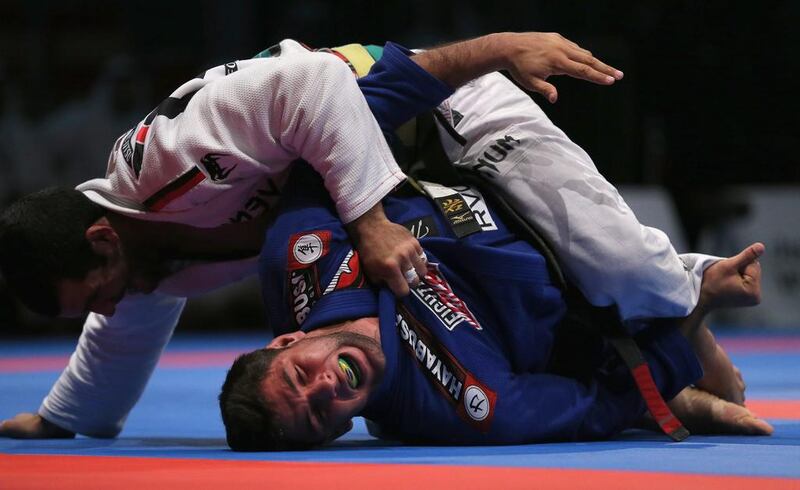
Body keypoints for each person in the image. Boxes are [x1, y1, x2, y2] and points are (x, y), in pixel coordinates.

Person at [0, 32, 627, 439]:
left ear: (104, 241)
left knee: (625, 268)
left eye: (93, 295)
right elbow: (118, 340)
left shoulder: (168, 160)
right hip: (428, 188)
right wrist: (61, 420)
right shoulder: (148, 259)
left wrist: (370, 221)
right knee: (596, 309)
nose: (104, 309)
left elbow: (318, 84)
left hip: (434, 107)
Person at [219, 161, 770, 450]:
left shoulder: (300, 264)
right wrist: (699, 311)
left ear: (287, 340)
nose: (324, 389)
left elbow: (321, 150)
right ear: (338, 432)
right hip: (570, 274)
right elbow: (596, 405)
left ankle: (684, 317)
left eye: (298, 377)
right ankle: (688, 331)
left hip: (477, 169)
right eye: (319, 414)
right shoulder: (465, 408)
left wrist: (369, 225)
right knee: (699, 366)